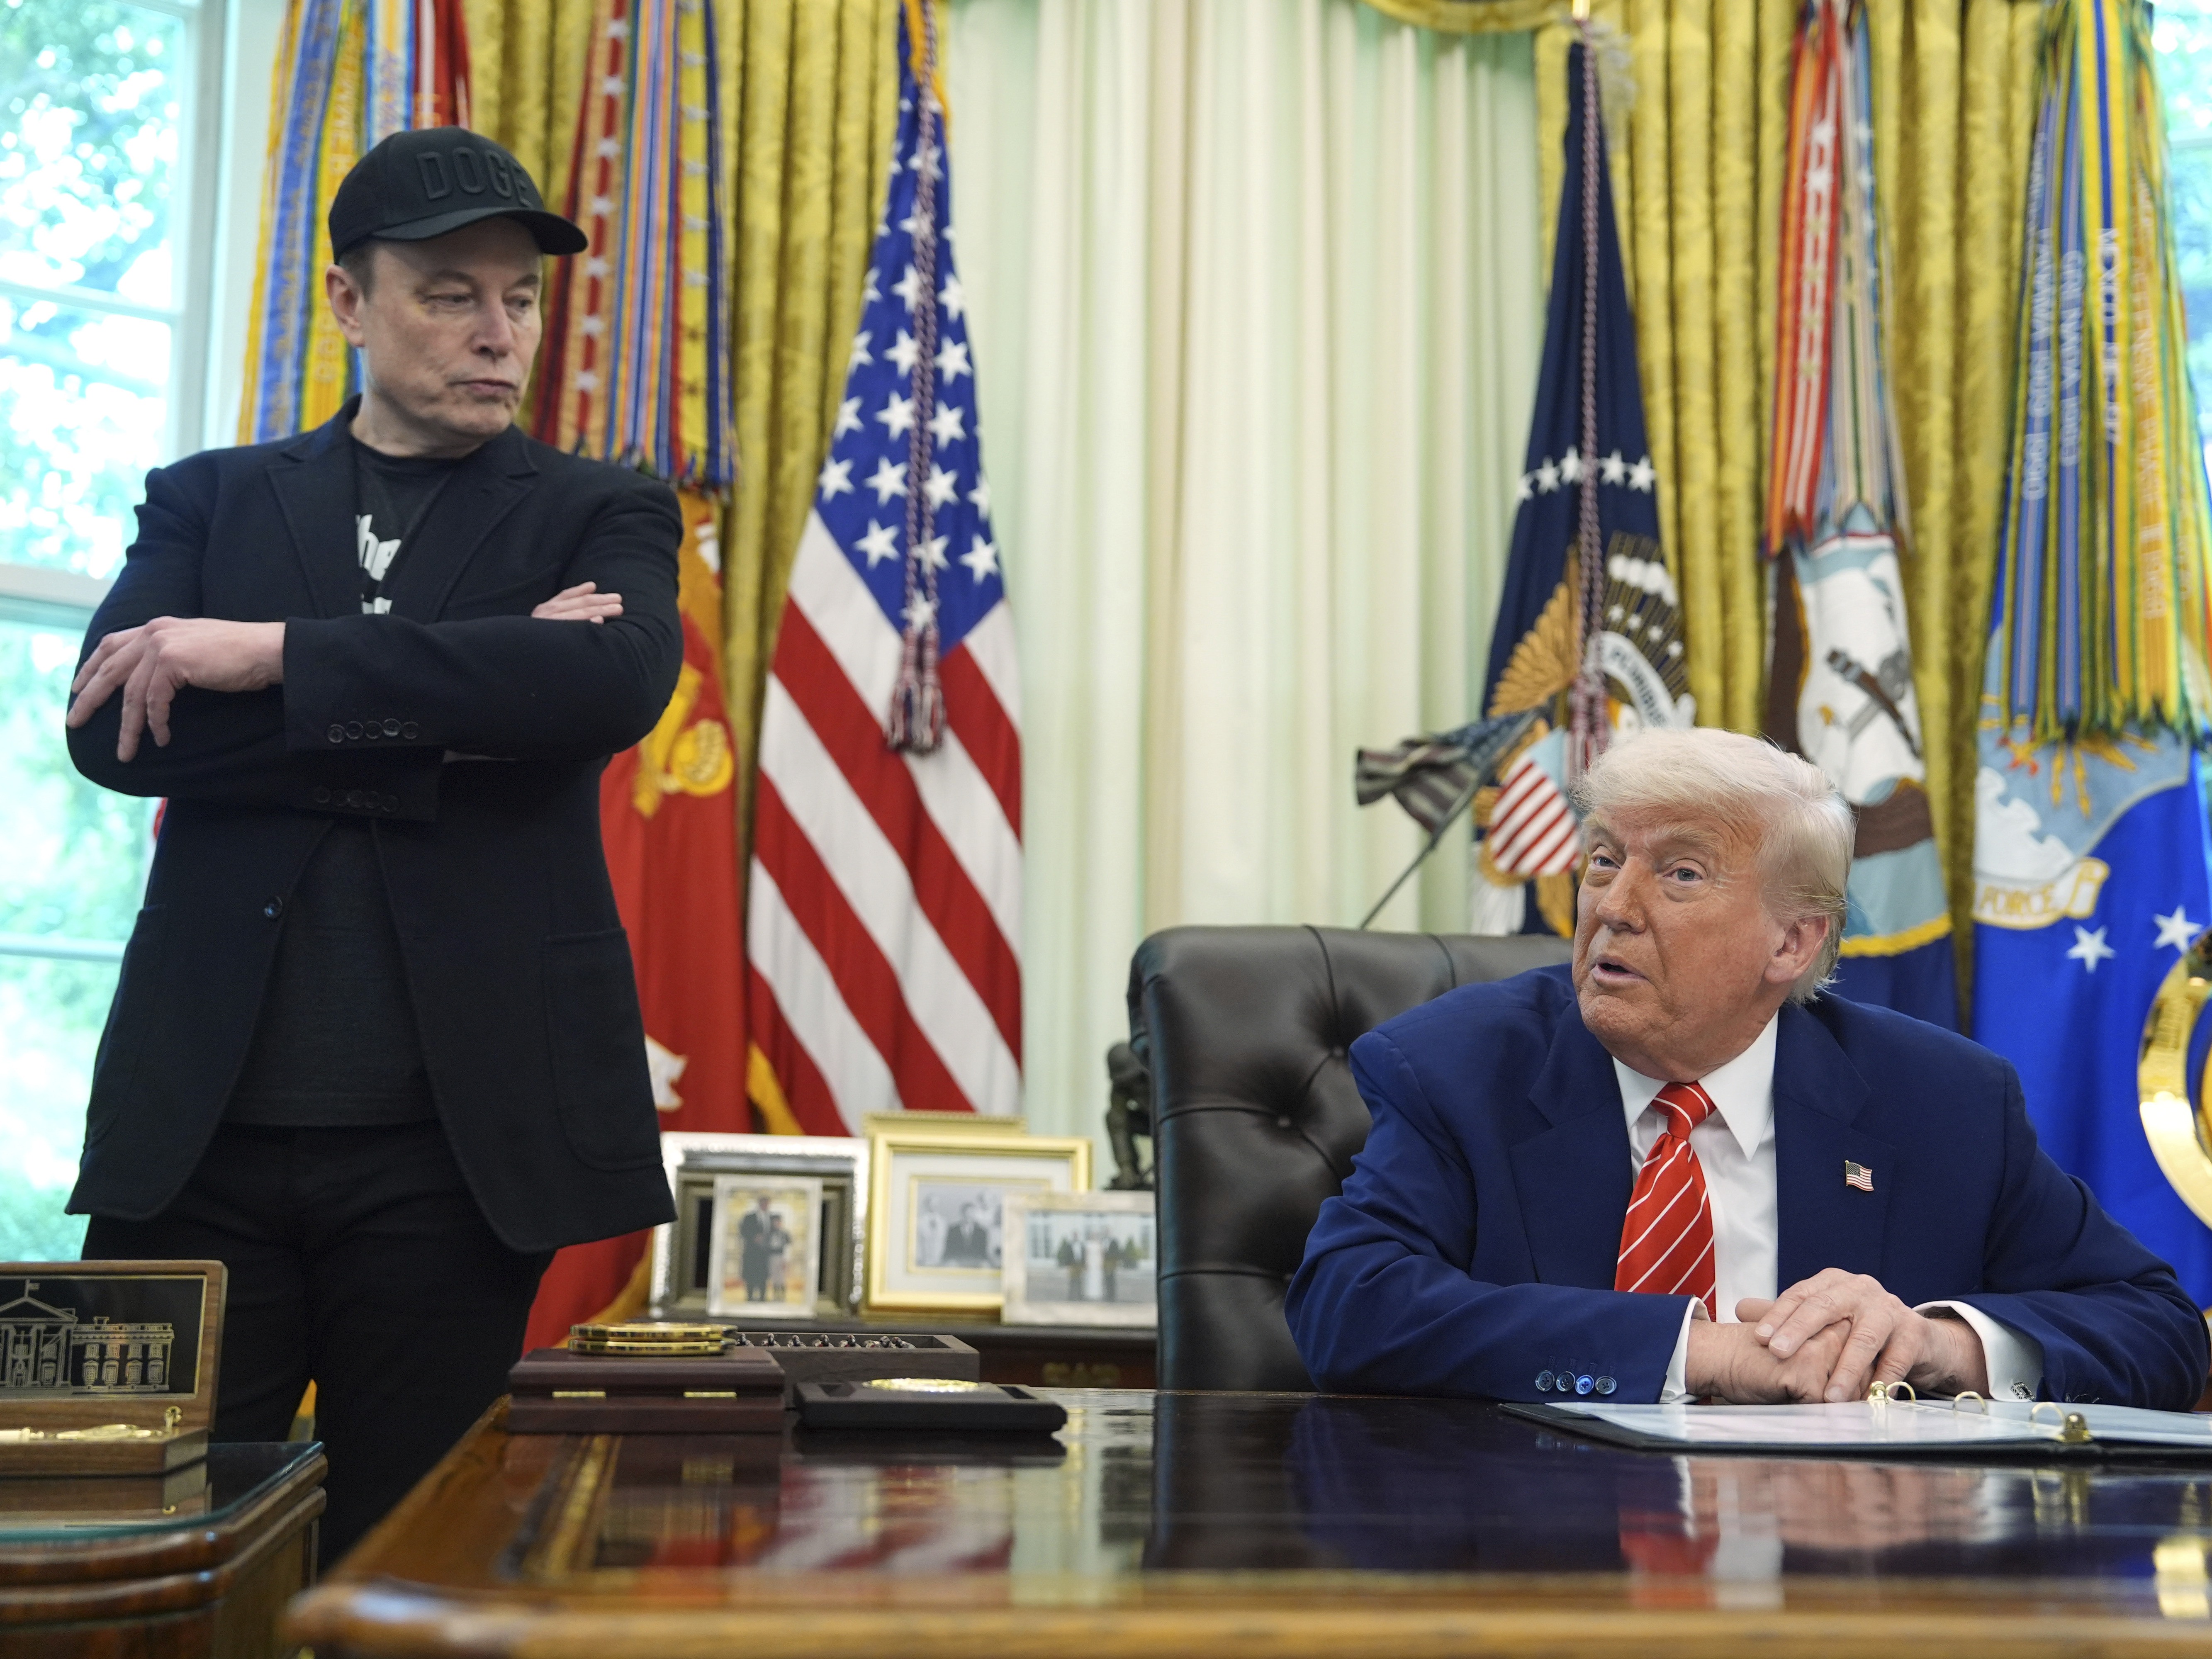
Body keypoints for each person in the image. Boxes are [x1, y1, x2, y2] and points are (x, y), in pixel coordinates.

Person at [63, 127, 683, 1563]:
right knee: (131, 1556)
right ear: (348, 301)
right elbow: (115, 736)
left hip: (456, 1149)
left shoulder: (601, 508)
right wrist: (464, 697)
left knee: (403, 1570)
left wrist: (270, 656)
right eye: (450, 295)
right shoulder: (208, 499)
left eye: (520, 299)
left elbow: (605, 687)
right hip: (196, 1135)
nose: (498, 333)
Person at [1287, 728, 2210, 1410]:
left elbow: (2156, 1327)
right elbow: (1347, 1305)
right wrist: (1701, 1350)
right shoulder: (1455, 1066)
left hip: (1842, 1588)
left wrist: (1935, 1344)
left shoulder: (1941, 1103)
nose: (1610, 903)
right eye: (1603, 858)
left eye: (1679, 873)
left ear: (1791, 939)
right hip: (1543, 1567)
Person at [739, 1197, 775, 1302]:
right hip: (751, 1252)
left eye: (767, 1204)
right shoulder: (749, 1217)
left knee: (763, 1275)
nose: (765, 1205)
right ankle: (750, 1296)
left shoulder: (772, 1218)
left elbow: (776, 1232)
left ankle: (763, 1297)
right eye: (763, 1203)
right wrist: (754, 1237)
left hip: (765, 1253)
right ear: (759, 1204)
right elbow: (743, 1231)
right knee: (751, 1274)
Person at [942, 1201, 992, 1267]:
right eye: (966, 1213)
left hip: (976, 1262)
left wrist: (982, 1262)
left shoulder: (982, 1232)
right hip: (957, 1262)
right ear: (962, 1214)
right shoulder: (953, 1230)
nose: (968, 1216)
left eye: (971, 1213)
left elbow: (983, 1252)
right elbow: (949, 1250)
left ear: (974, 1215)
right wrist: (951, 1261)